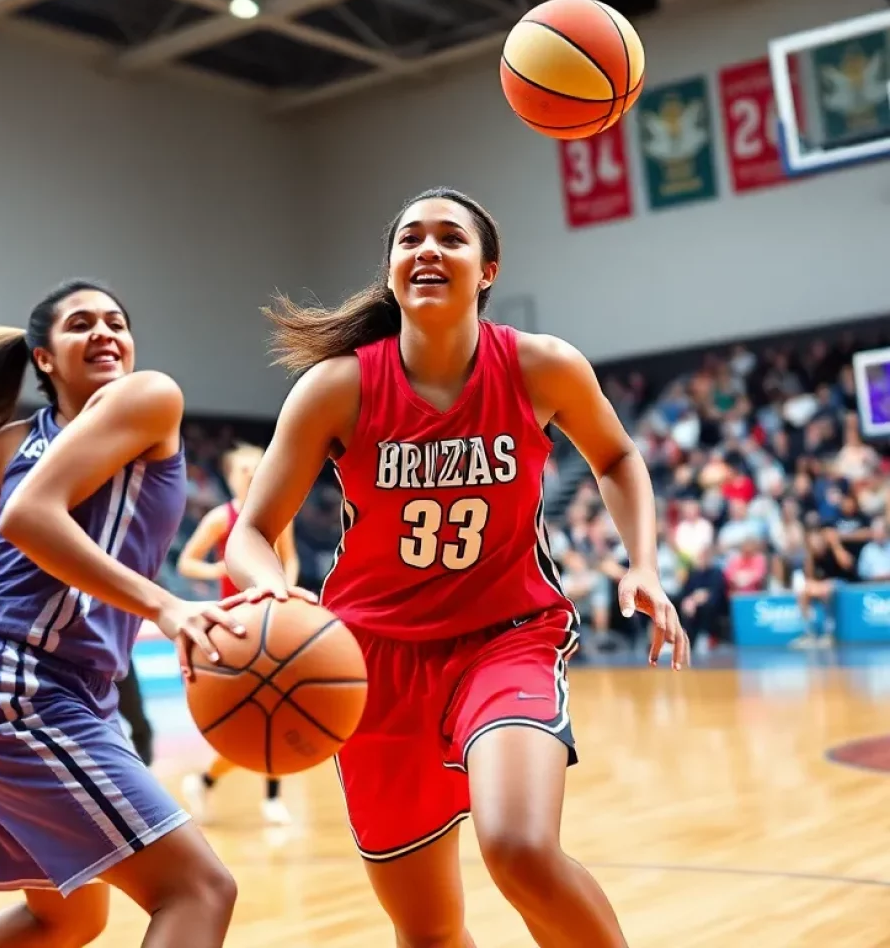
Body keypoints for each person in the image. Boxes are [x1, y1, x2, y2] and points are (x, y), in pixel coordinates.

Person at [224, 187, 690, 948]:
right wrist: (274, 591)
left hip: (506, 638)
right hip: (369, 664)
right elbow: (250, 533)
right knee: (428, 929)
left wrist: (644, 562)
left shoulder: (541, 366)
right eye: (410, 239)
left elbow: (616, 456)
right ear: (392, 272)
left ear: (488, 271)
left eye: (451, 238)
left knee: (520, 849)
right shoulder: (337, 387)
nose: (428, 249)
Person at [0, 281, 242, 948]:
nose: (104, 332)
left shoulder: (147, 396)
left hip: (36, 686)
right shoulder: (12, 446)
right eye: (81, 324)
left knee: (67, 918)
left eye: (116, 322)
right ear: (44, 357)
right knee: (199, 889)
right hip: (11, 678)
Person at [177, 443, 298, 826]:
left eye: (257, 466)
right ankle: (206, 779)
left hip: (273, 620)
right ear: (230, 476)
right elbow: (186, 563)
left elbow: (289, 557)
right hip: (234, 627)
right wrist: (218, 571)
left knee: (275, 715)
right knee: (251, 722)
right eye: (243, 468)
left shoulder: (279, 511)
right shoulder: (219, 518)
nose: (250, 472)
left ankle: (270, 797)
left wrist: (285, 590)